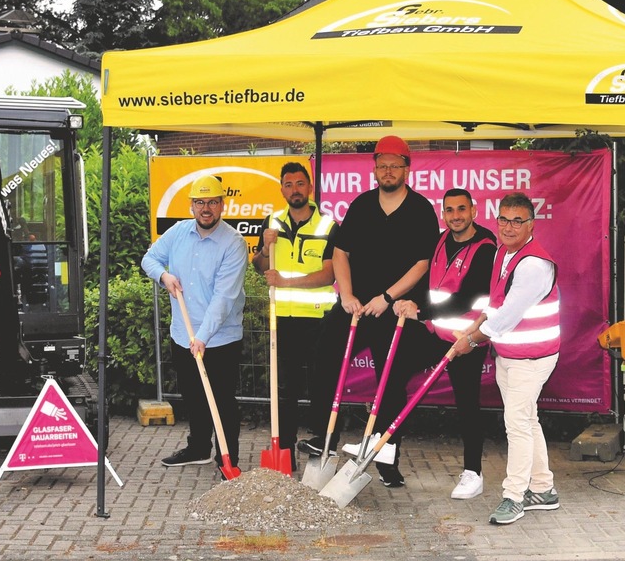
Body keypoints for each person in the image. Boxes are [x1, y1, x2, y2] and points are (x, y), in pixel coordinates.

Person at [296, 135, 438, 488]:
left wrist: (387, 298)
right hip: (357, 306)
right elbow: (341, 253)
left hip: (395, 308)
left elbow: (423, 263)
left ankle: (384, 457)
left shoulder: (421, 209)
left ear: (407, 168)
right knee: (323, 353)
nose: (388, 171)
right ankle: (324, 435)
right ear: (374, 169)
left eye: (395, 165)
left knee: (390, 383)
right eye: (382, 165)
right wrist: (346, 295)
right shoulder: (361, 205)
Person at [451, 192, 561, 526]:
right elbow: (495, 303)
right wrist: (471, 327)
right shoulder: (503, 253)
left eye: (518, 221)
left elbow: (505, 318)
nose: (509, 227)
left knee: (516, 425)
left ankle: (514, 497)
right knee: (527, 420)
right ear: (496, 219)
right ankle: (543, 489)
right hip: (510, 354)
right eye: (503, 219)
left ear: (531, 224)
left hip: (532, 357)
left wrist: (469, 340)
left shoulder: (533, 265)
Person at [389, 188, 496, 499]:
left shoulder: (486, 247)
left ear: (474, 211)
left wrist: (420, 311)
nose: (455, 216)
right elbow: (430, 285)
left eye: (461, 209)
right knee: (394, 371)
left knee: (467, 406)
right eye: (449, 210)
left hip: (466, 339)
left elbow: (467, 298)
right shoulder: (439, 240)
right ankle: (385, 442)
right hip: (435, 332)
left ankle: (472, 473)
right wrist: (411, 302)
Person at [142, 174, 248, 470]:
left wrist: (201, 337)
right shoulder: (177, 232)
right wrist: (164, 276)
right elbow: (149, 259)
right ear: (191, 206)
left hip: (220, 339)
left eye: (212, 202)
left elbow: (223, 300)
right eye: (200, 202)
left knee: (223, 401)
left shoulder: (234, 244)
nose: (206, 208)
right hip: (182, 334)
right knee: (194, 398)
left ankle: (229, 459)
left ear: (221, 205)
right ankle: (199, 448)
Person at [252, 162, 338, 472]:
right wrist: (264, 247)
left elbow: (329, 274)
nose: (294, 190)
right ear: (281, 189)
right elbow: (260, 266)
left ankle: (320, 446)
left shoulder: (328, 226)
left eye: (300, 184)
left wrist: (286, 282)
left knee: (320, 386)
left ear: (310, 187)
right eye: (288, 185)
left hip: (318, 319)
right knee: (284, 388)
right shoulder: (272, 221)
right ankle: (284, 452)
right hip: (282, 320)